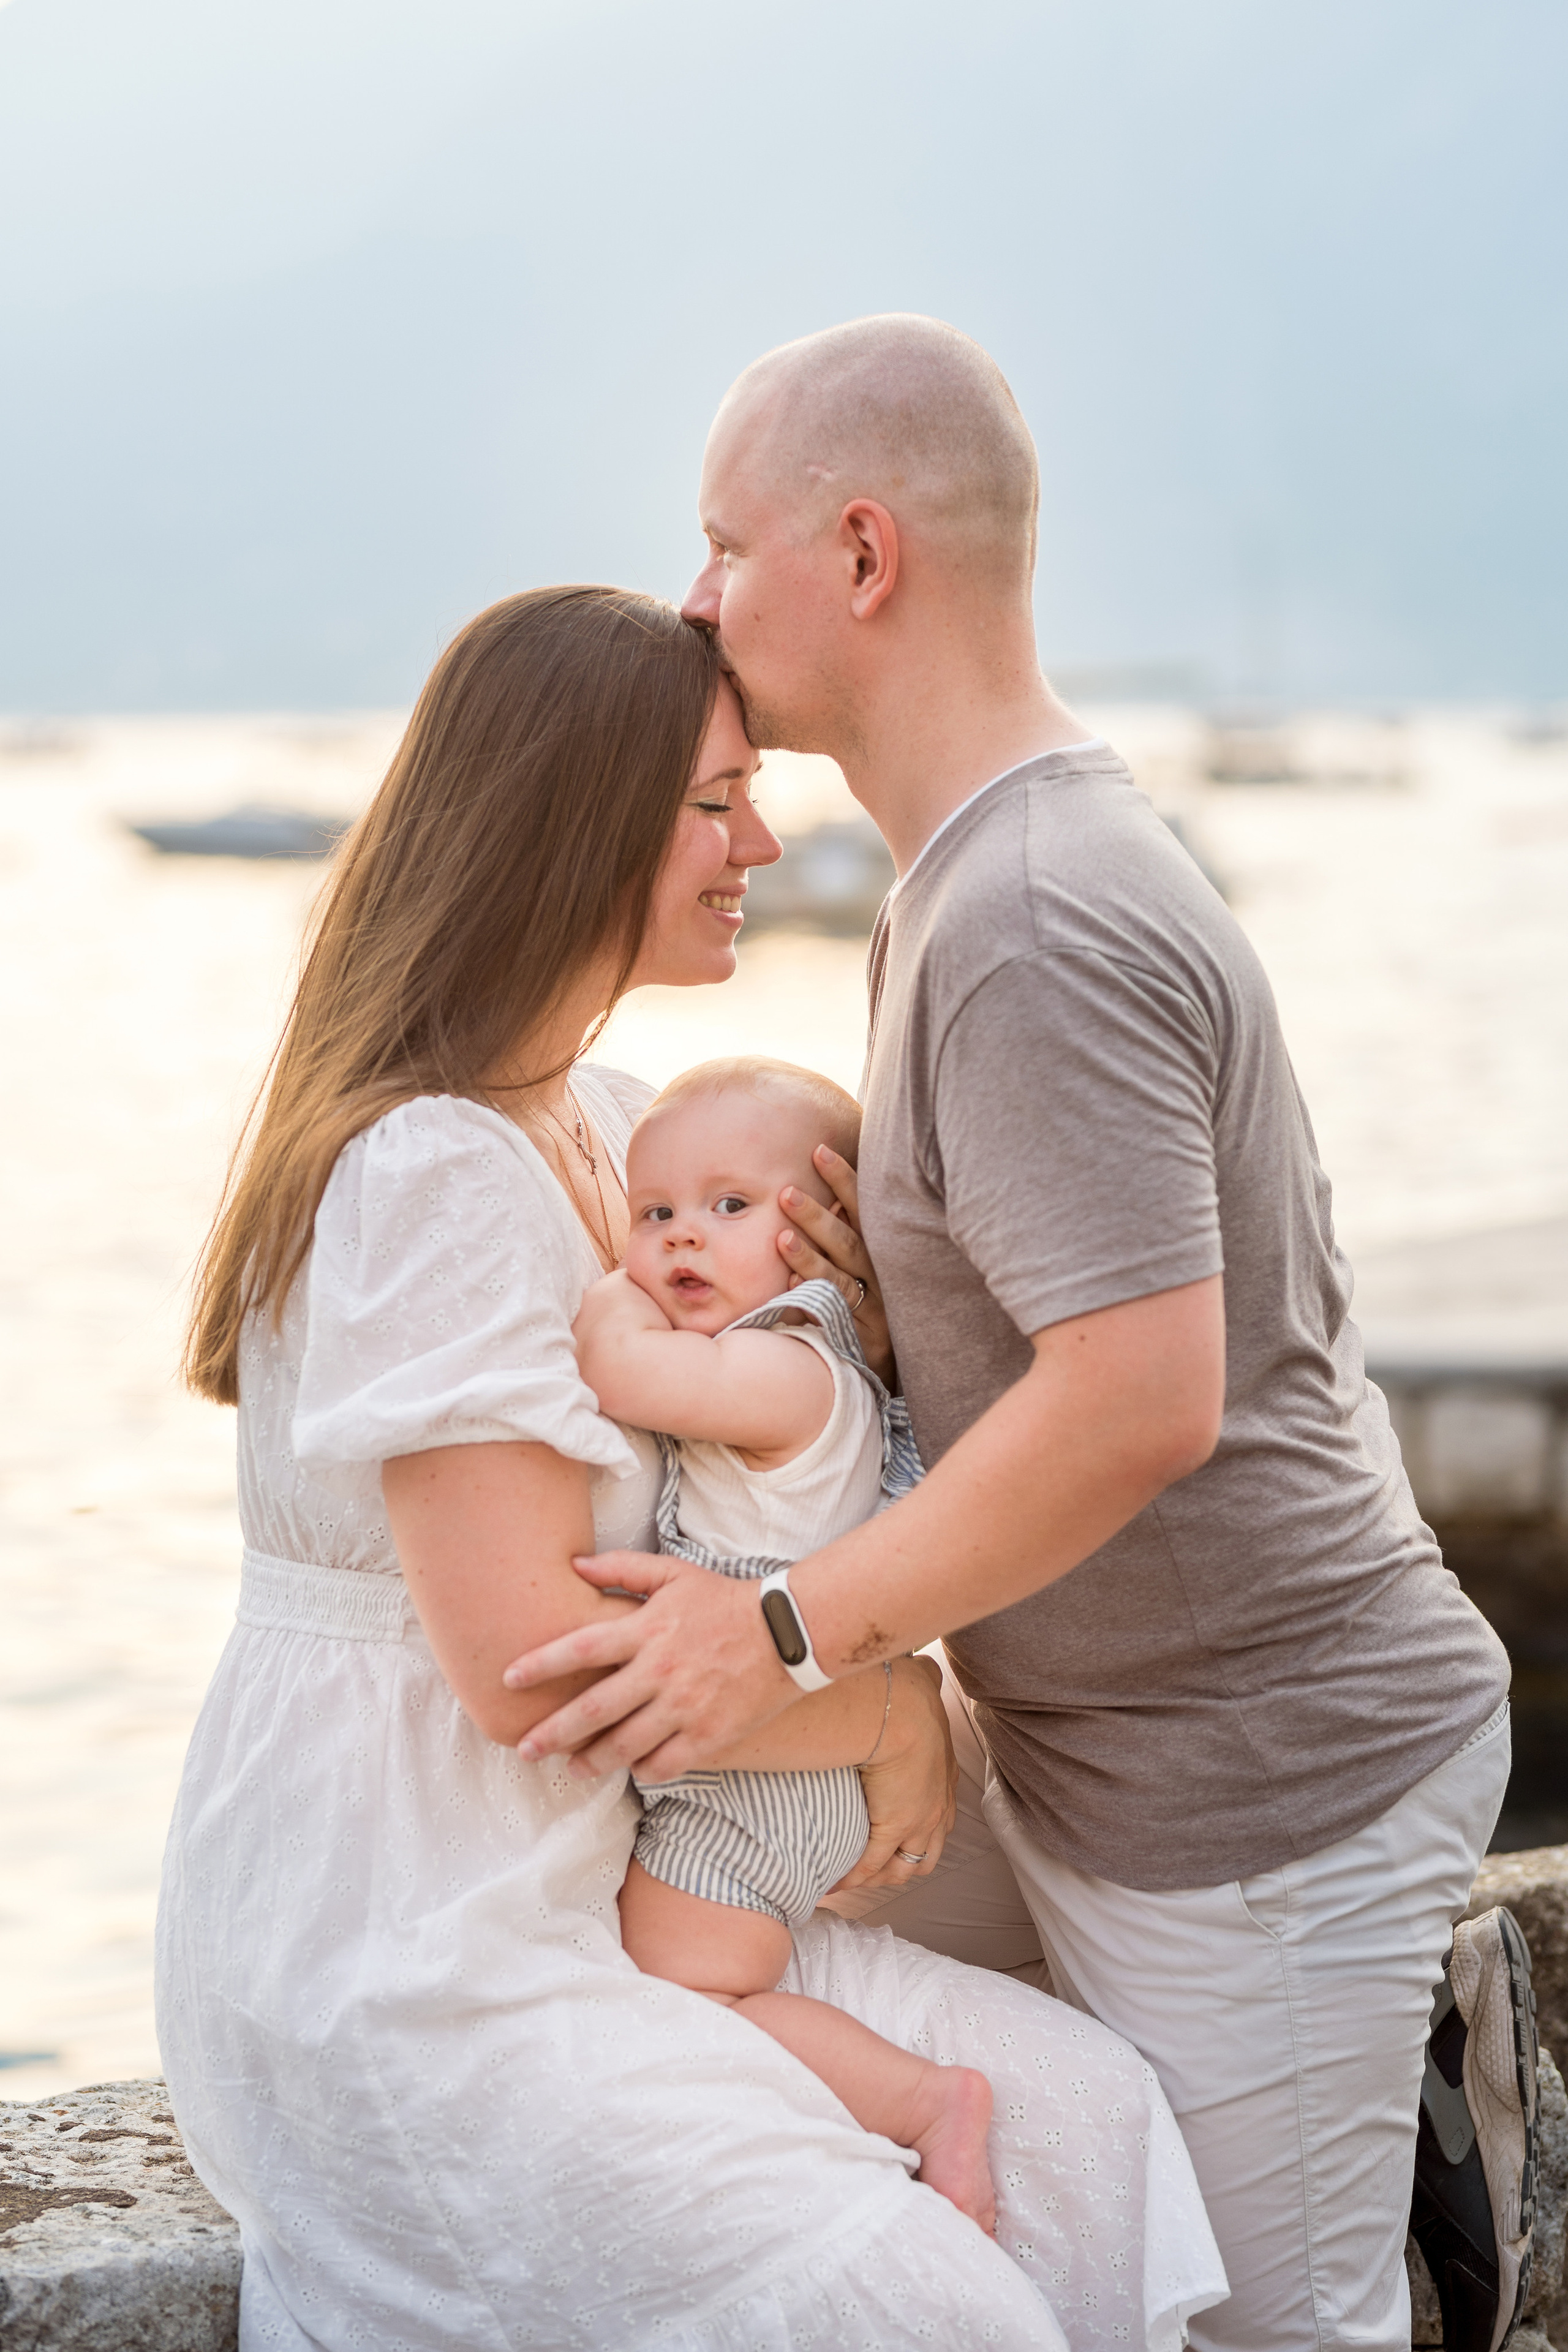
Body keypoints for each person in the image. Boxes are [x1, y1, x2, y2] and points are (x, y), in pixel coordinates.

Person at [502, 321, 1520, 2352]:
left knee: (1269, 2333)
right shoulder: (969, 885)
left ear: (863, 556)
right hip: (1083, 1754)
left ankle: (1384, 2046)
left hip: (1254, 1797)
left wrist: (781, 1632)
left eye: (728, 546)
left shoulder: (1028, 915)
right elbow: (1045, 1309)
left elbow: (1141, 1399)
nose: (698, 597)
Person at [156, 582, 1227, 2351]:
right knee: (924, 2310)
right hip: (415, 1939)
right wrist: (889, 1711)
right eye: (716, 801)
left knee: (1086, 2122)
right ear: (576, 822)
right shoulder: (431, 1169)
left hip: (619, 1879)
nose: (763, 842)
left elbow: (808, 1432)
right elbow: (538, 1674)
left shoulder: (613, 1125)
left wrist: (852, 1333)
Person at [577, 1056, 997, 2232]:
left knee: (683, 1990)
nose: (680, 1239)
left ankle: (926, 2105)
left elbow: (618, 1369)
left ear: (822, 1236)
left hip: (774, 1776)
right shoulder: (816, 1370)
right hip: (785, 1750)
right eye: (654, 1213)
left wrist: (608, 1289)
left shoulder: (791, 1372)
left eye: (729, 1206)